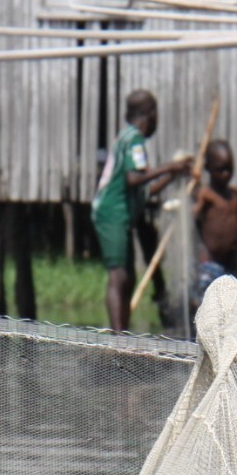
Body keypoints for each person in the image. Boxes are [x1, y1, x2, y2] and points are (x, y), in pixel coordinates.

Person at [91, 90, 190, 333]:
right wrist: (170, 165)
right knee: (119, 276)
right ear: (150, 115)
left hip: (122, 213)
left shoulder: (127, 138)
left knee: (129, 279)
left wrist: (174, 174)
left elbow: (146, 188)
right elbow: (134, 178)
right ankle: (118, 338)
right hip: (111, 213)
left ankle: (121, 332)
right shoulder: (134, 139)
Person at [189, 139, 237, 307]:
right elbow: (194, 211)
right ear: (209, 169)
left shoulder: (234, 195)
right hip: (208, 263)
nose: (226, 175)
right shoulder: (206, 194)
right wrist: (193, 191)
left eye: (229, 169)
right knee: (206, 307)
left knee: (226, 309)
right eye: (221, 170)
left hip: (228, 265)